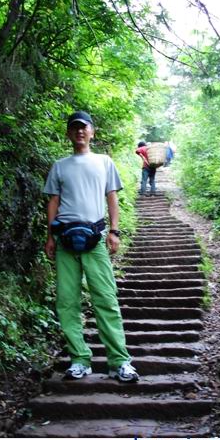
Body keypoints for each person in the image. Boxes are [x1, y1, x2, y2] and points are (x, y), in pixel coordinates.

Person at [43, 111, 139, 383]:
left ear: (92, 132)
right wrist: (50, 237)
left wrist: (114, 231)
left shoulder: (104, 162)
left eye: (84, 127)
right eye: (74, 128)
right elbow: (53, 202)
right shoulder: (59, 166)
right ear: (68, 133)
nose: (79, 132)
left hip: (95, 239)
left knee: (106, 299)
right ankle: (79, 360)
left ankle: (119, 362)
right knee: (66, 302)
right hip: (65, 241)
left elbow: (112, 197)